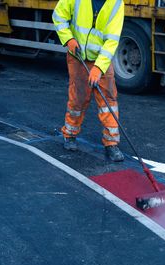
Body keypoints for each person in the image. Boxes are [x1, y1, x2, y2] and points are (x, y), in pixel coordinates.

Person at [53, 0, 125, 161]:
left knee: (108, 101)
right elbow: (58, 16)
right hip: (77, 57)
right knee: (78, 98)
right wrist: (69, 39)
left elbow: (112, 39)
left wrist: (99, 67)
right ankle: (70, 134)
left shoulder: (116, 3)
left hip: (101, 58)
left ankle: (111, 144)